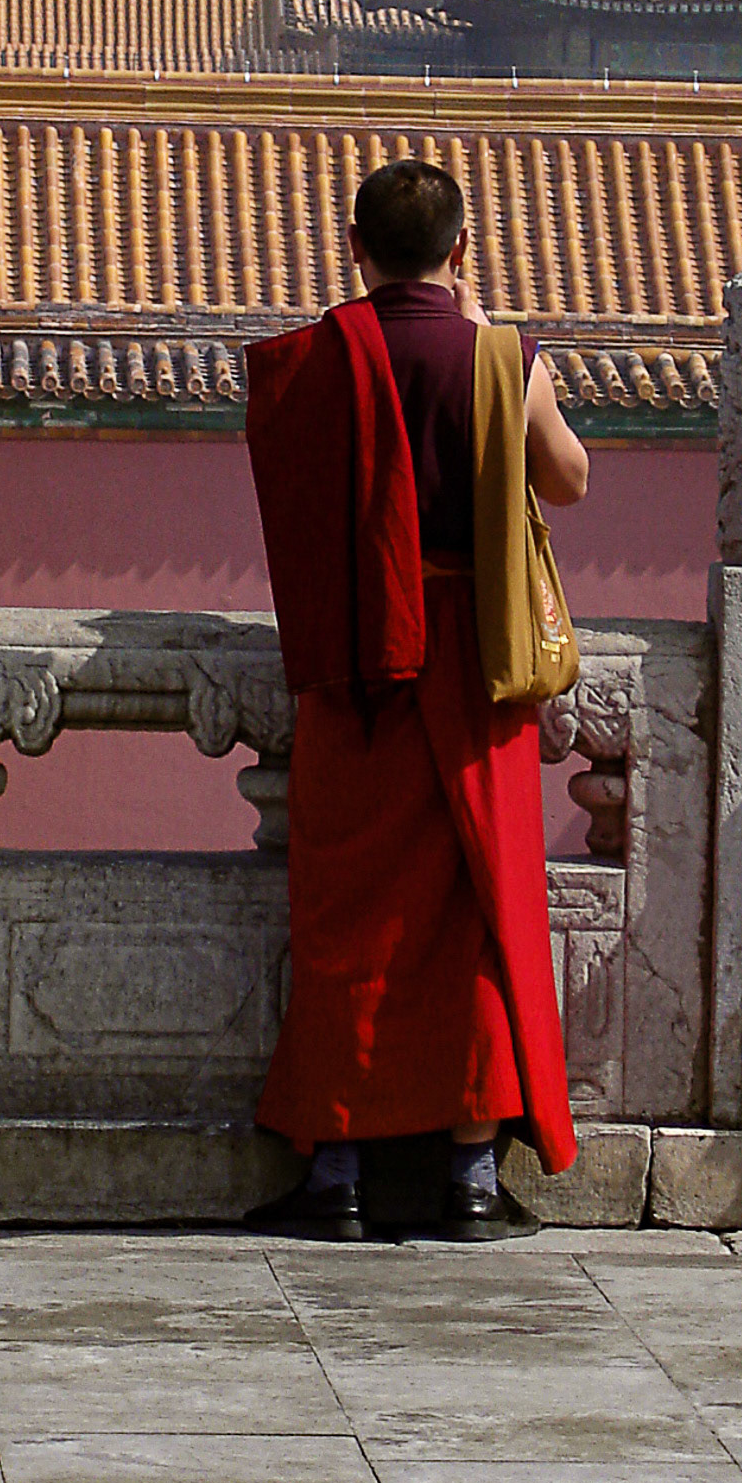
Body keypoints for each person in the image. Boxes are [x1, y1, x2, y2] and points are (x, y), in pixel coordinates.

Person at [243, 158, 589, 1240]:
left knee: (351, 916)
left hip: (359, 669)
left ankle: (337, 1174)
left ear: (355, 248)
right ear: (461, 250)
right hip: (479, 668)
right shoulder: (501, 357)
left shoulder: (316, 361)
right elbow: (568, 478)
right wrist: (489, 351)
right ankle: (473, 1179)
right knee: (479, 912)